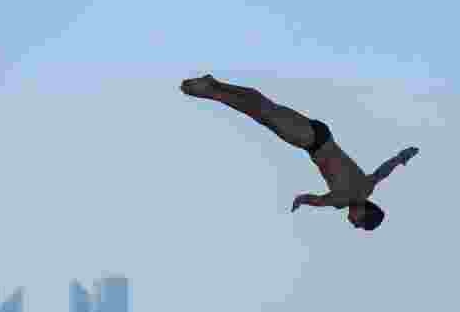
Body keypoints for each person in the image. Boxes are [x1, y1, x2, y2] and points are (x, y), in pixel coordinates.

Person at [180, 74, 419, 231]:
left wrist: (301, 200)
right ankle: (212, 90)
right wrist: (401, 158)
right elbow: (382, 172)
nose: (354, 224)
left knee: (264, 109)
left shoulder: (354, 194)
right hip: (310, 140)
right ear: (365, 212)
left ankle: (215, 86)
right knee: (263, 111)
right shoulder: (352, 195)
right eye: (359, 224)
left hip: (319, 137)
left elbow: (316, 199)